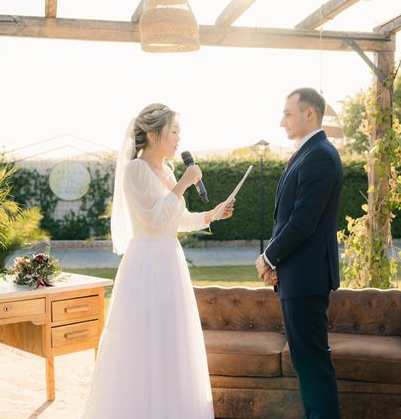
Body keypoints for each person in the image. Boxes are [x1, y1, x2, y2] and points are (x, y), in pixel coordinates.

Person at [81, 103, 234, 418]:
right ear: (153, 134)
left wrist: (211, 214)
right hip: (146, 264)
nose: (178, 138)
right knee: (142, 343)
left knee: (170, 342)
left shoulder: (167, 172)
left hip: (170, 262)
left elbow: (175, 220)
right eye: (173, 131)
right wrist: (184, 184)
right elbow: (152, 220)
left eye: (180, 132)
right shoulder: (136, 170)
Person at [255, 88, 343, 419]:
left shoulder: (320, 155)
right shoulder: (308, 152)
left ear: (309, 114)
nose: (282, 121)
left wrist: (267, 258)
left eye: (288, 113)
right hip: (297, 275)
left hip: (307, 278)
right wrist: (277, 264)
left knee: (312, 363)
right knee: (307, 363)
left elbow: (302, 222)